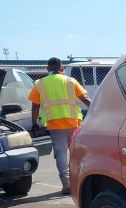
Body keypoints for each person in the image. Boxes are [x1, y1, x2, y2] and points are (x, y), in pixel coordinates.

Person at [28, 57, 90, 194]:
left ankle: (66, 184)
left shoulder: (40, 84)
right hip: (74, 123)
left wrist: (34, 123)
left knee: (61, 154)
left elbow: (35, 105)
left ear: (47, 69)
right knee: (76, 153)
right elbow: (85, 99)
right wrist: (97, 112)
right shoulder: (71, 81)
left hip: (55, 124)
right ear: (62, 68)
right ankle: (79, 182)